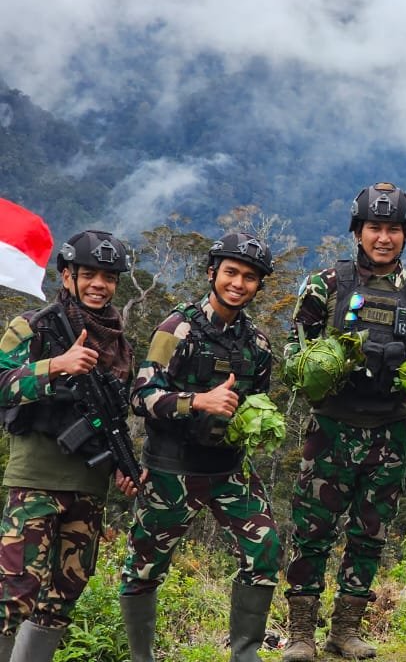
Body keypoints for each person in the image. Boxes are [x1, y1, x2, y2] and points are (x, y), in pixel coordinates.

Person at [281, 182, 406, 661]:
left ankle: (345, 631)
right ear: (358, 230)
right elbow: (295, 353)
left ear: (405, 235)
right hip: (330, 428)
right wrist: (331, 363)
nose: (384, 237)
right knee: (312, 530)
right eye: (375, 227)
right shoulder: (326, 285)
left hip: (389, 431)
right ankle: (300, 635)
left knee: (370, 533)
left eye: (393, 229)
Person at [119, 232, 278, 662]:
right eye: (230, 272)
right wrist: (198, 402)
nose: (238, 283)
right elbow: (141, 396)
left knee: (264, 551)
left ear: (258, 285)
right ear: (212, 273)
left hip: (228, 469)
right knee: (144, 567)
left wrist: (256, 423)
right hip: (171, 468)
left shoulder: (258, 345)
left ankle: (245, 653)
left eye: (249, 277)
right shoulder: (177, 328)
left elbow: (257, 403)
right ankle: (141, 656)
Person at [0, 230, 142, 662]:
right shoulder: (33, 325)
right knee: (14, 592)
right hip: (36, 480)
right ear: (67, 276)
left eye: (109, 277)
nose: (100, 284)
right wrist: (54, 366)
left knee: (64, 594)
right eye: (90, 274)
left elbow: (117, 419)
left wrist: (124, 467)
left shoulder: (119, 344)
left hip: (89, 485)